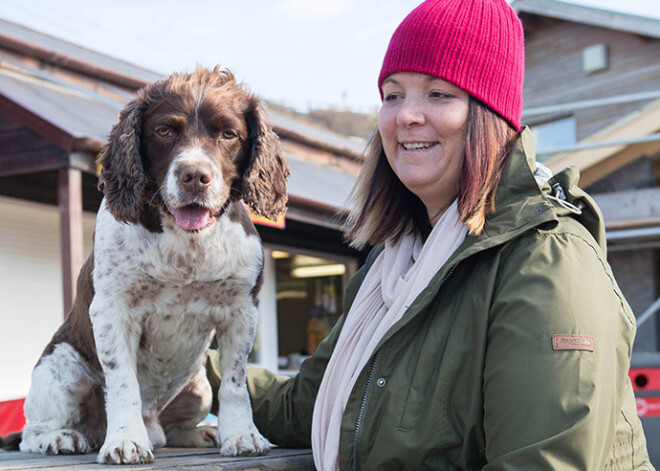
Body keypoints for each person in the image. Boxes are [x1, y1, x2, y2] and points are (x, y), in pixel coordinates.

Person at [208, 0, 655, 469]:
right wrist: (183, 367)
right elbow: (307, 404)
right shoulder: (393, 267)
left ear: (490, 113)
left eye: (439, 94)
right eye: (393, 95)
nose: (406, 116)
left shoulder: (546, 260)